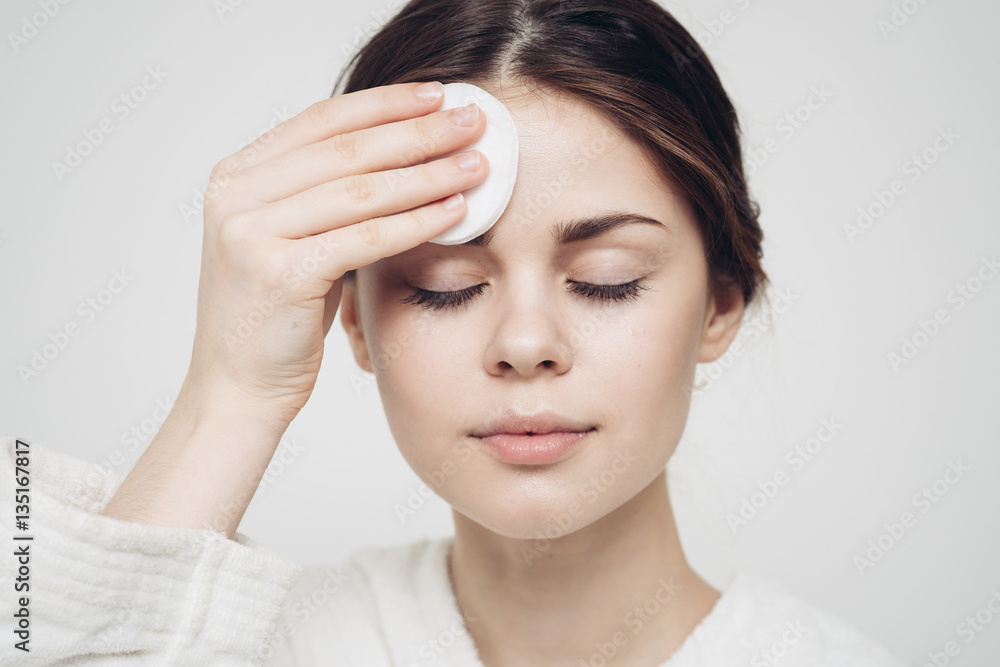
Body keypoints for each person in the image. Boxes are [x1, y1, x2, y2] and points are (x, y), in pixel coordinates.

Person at [0, 0, 908, 665]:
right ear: (351, 319)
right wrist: (228, 397)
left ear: (720, 304)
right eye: (442, 288)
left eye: (606, 280)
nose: (524, 342)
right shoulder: (257, 644)